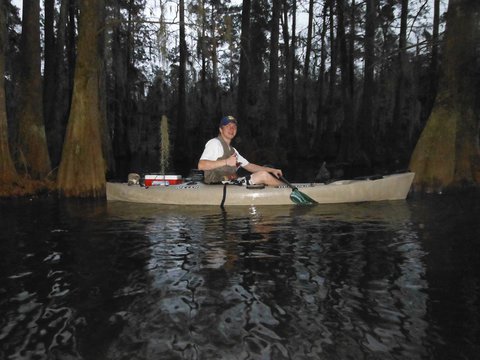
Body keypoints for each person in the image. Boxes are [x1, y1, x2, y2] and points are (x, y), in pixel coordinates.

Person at [198, 115, 283, 186]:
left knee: (262, 178)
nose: (232, 129)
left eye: (234, 127)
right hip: (216, 185)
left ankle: (286, 189)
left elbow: (250, 166)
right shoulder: (215, 143)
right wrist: (226, 161)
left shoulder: (233, 150)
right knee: (263, 176)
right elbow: (201, 165)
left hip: (230, 183)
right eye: (228, 126)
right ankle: (289, 192)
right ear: (221, 129)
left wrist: (272, 170)